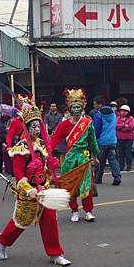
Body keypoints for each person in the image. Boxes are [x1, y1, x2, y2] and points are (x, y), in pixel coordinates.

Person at [0, 98, 71, 266]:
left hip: (44, 190)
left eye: (38, 126)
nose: (36, 129)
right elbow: (18, 174)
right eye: (33, 126)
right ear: (26, 128)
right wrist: (29, 189)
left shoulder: (43, 145)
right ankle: (2, 242)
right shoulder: (21, 148)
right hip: (28, 193)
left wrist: (51, 171)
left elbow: (45, 170)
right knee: (20, 223)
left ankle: (56, 253)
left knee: (50, 220)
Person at [50, 88, 100, 222]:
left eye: (78, 106)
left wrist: (94, 156)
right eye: (74, 107)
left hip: (84, 157)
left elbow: (92, 141)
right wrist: (46, 152)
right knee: (70, 185)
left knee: (86, 186)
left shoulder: (87, 123)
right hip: (70, 158)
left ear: (82, 107)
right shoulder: (64, 125)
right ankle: (74, 210)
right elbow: (54, 139)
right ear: (70, 108)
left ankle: (88, 211)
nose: (76, 109)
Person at [93, 102, 121, 186]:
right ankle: (117, 176)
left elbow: (97, 129)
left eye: (95, 104)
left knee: (100, 161)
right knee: (113, 159)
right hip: (112, 140)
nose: (94, 106)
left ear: (99, 105)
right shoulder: (113, 114)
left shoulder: (98, 115)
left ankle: (98, 178)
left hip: (101, 141)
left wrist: (95, 139)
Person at [116, 105, 134, 172]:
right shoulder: (117, 118)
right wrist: (124, 125)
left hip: (128, 138)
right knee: (120, 153)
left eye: (125, 111)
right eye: (122, 111)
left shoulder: (131, 118)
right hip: (120, 138)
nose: (123, 112)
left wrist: (121, 128)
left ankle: (129, 166)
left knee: (128, 152)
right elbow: (116, 126)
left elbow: (130, 127)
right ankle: (121, 166)